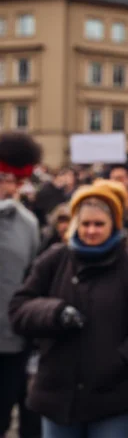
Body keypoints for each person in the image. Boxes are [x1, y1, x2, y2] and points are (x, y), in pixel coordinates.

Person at [9, 180, 128, 438]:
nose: (91, 231)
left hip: (113, 394)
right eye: (85, 223)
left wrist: (117, 359)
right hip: (57, 392)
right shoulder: (54, 260)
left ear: (114, 224)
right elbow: (19, 309)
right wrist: (54, 312)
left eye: (99, 224)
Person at [0, 133, 42, 438]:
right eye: (2, 177)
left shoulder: (28, 224)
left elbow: (32, 280)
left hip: (10, 340)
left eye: (13, 180)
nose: (6, 186)